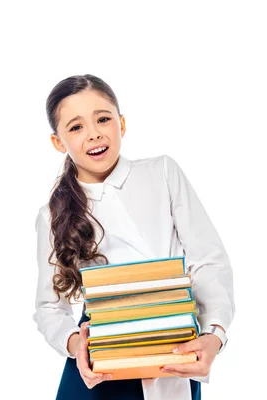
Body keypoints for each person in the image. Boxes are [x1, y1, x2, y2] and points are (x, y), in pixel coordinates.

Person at [33, 74, 234, 400]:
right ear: (58, 142)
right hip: (100, 361)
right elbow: (48, 308)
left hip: (172, 344)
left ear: (121, 123)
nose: (94, 133)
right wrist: (75, 343)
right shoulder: (52, 215)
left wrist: (215, 334)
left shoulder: (163, 174)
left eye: (103, 119)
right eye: (76, 127)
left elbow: (208, 261)